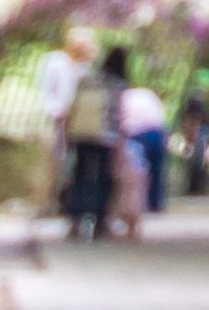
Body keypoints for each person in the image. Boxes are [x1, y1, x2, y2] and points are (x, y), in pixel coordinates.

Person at [53, 39, 118, 242]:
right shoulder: (115, 85)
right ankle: (99, 222)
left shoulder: (84, 81)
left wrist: (67, 133)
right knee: (102, 178)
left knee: (79, 175)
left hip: (80, 134)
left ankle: (75, 220)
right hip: (104, 137)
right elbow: (117, 115)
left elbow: (72, 107)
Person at [118, 51, 168, 239]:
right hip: (157, 131)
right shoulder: (147, 94)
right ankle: (156, 203)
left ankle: (140, 205)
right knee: (156, 170)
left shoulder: (124, 97)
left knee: (137, 174)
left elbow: (122, 122)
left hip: (137, 134)